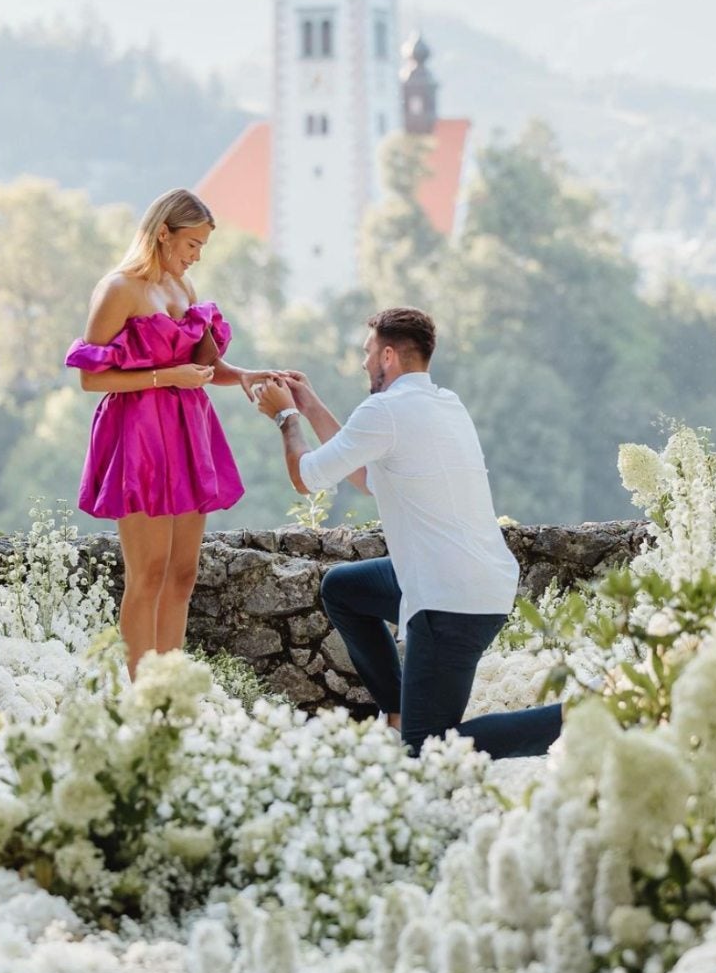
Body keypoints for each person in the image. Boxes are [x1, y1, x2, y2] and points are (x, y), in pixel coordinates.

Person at [254, 306, 563, 759]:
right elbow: (364, 476)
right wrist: (311, 404)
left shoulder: (385, 412)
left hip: (451, 600)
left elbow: (306, 478)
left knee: (427, 748)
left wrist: (287, 419)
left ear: (388, 356)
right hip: (471, 579)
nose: (363, 362)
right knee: (343, 589)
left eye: (368, 352)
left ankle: (578, 715)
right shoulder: (444, 404)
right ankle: (398, 708)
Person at [66, 188, 280, 678]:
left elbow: (204, 365)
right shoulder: (118, 289)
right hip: (137, 434)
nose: (197, 256)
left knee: (182, 573)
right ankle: (141, 695)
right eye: (192, 244)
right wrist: (165, 378)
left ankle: (171, 686)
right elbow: (90, 378)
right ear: (163, 233)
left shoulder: (184, 291)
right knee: (149, 573)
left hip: (187, 431)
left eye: (203, 247)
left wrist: (244, 375)